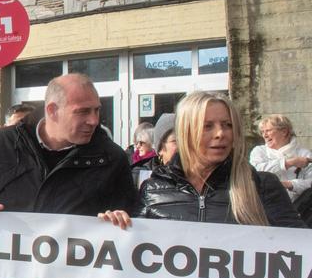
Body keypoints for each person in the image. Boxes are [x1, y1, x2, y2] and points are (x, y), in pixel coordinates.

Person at [99, 92, 304, 229]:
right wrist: (117, 227)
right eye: (207, 126)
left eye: (227, 125)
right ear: (185, 132)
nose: (220, 134)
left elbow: (299, 256)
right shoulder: (153, 189)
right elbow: (135, 258)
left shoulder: (262, 186)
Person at [0, 74, 134, 218]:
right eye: (82, 112)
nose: (94, 120)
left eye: (97, 110)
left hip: (74, 259)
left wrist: (119, 219)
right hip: (10, 259)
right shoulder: (4, 143)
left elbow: (130, 217)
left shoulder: (112, 158)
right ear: (52, 110)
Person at [249, 114, 311, 203]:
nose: (264, 135)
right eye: (262, 132)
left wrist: (289, 184)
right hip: (266, 206)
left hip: (299, 208)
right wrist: (288, 163)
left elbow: (310, 182)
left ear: (284, 132)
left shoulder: (304, 154)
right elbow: (256, 172)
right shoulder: (259, 151)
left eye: (268, 131)